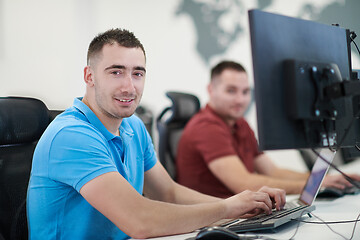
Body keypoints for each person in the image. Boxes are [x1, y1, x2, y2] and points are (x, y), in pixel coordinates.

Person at [26, 29, 286, 240]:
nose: (130, 86)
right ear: (89, 76)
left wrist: (238, 209)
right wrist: (228, 208)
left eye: (137, 73)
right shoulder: (71, 135)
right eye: (116, 72)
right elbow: (139, 220)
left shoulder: (133, 127)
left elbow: (168, 193)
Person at [176, 60, 360, 198]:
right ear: (211, 90)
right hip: (216, 222)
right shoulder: (206, 127)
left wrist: (318, 179)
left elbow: (273, 171)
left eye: (245, 91)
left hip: (237, 213)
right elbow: (243, 184)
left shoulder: (239, 124)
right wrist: (312, 184)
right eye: (231, 91)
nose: (240, 100)